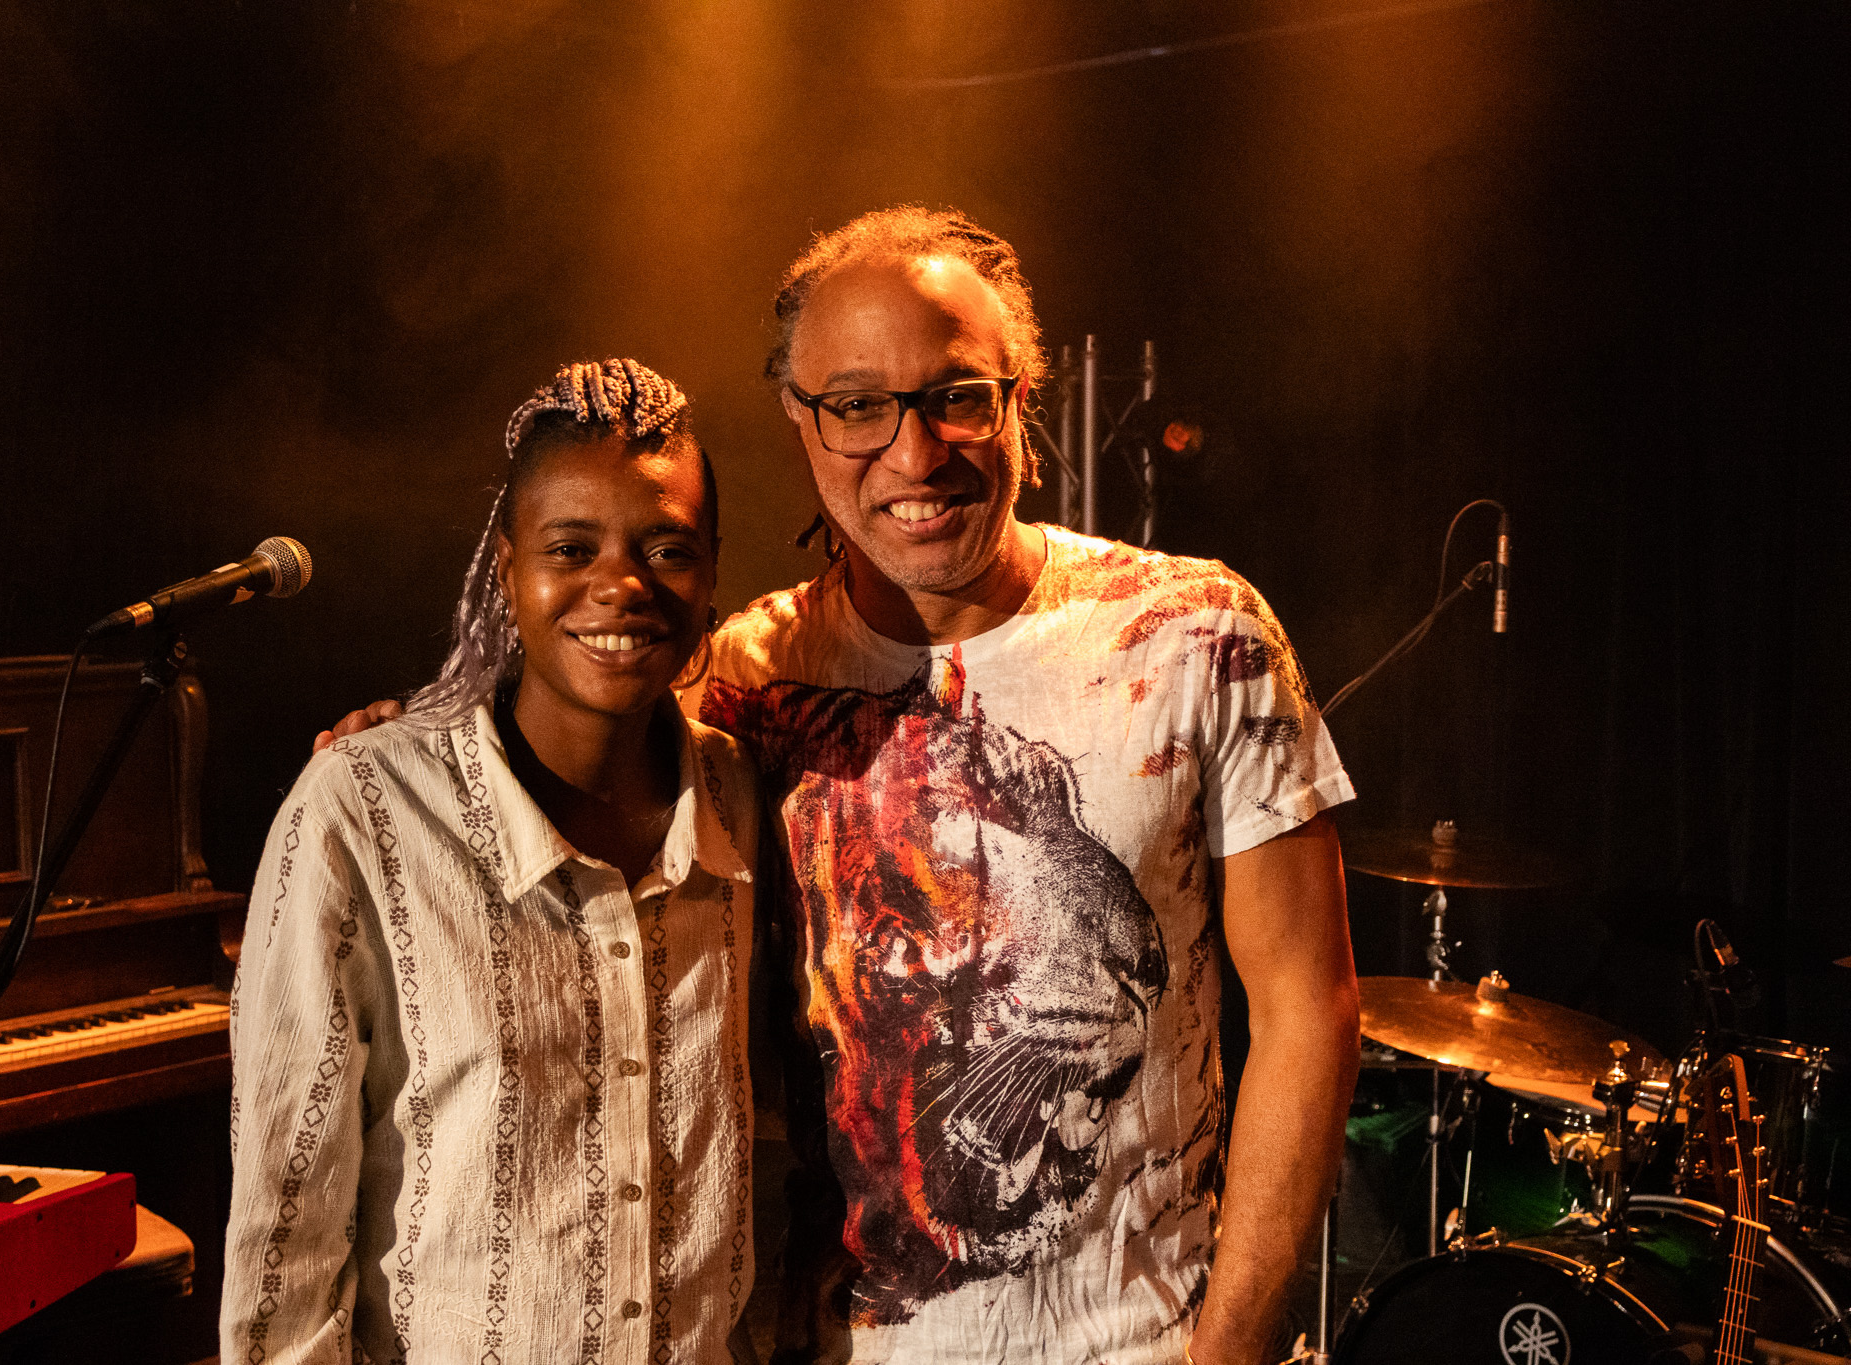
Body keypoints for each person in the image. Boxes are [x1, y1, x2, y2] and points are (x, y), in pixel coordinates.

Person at [324, 208, 1360, 1365]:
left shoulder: (1197, 635)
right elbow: (547, 782)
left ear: (1018, 400)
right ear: (799, 419)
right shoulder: (737, 684)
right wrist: (420, 751)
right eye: (858, 405)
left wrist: (1228, 1353)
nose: (914, 455)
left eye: (955, 397)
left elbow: (1306, 1007)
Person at [227, 359, 761, 1365]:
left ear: (712, 572)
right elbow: (285, 1234)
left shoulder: (740, 796)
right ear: (506, 570)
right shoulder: (363, 808)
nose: (623, 584)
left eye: (667, 549)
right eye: (571, 548)